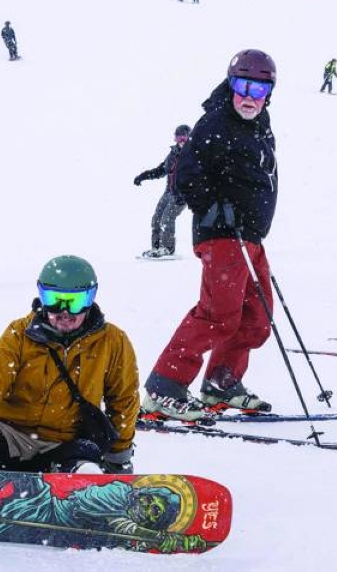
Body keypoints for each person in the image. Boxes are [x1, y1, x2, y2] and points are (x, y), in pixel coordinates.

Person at [143, 50, 280, 420]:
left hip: (249, 237)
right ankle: (164, 388)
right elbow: (187, 175)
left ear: (270, 92)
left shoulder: (259, 126)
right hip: (222, 236)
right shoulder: (215, 122)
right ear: (230, 83)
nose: (250, 96)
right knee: (218, 314)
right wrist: (216, 208)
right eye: (242, 85)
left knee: (257, 317)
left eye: (260, 88)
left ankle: (222, 382)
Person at [0, 256, 138, 474]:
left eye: (75, 302)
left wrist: (119, 456)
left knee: (84, 467)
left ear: (90, 299)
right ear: (41, 296)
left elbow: (123, 400)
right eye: (54, 300)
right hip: (10, 435)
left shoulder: (112, 341)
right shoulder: (19, 333)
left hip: (66, 443)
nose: (64, 312)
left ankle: (82, 484)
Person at [133, 125, 190, 258]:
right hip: (168, 192)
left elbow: (197, 176)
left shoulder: (192, 154)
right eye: (178, 137)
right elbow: (160, 170)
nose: (181, 141)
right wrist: (144, 176)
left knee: (167, 218)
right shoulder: (173, 154)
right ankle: (156, 248)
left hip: (181, 195)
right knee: (157, 218)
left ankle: (167, 248)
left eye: (184, 138)